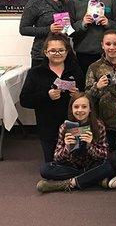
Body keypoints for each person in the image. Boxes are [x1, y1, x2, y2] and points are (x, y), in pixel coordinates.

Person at [20, 33, 84, 162]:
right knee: (52, 163)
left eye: (61, 50)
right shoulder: (35, 72)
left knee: (76, 160)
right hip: (48, 125)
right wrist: (46, 95)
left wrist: (77, 95)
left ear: (67, 52)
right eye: (52, 50)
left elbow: (85, 94)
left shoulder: (75, 70)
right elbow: (24, 100)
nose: (57, 53)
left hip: (72, 122)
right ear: (46, 52)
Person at [36, 92, 113, 193]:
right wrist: (67, 146)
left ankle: (68, 183)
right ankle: (92, 179)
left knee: (108, 166)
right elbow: (56, 157)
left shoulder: (98, 125)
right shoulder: (64, 127)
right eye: (76, 107)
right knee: (45, 169)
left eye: (84, 107)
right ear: (71, 109)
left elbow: (105, 154)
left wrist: (90, 145)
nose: (80, 110)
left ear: (90, 109)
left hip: (91, 164)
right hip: (71, 167)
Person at [67, 0, 116, 75]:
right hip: (83, 54)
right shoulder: (73, 1)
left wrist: (108, 23)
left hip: (107, 54)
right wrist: (82, 24)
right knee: (86, 88)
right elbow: (68, 30)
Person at [20, 0, 68, 67]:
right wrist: (48, 29)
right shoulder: (35, 2)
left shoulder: (65, 3)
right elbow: (23, 29)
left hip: (62, 55)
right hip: (42, 56)